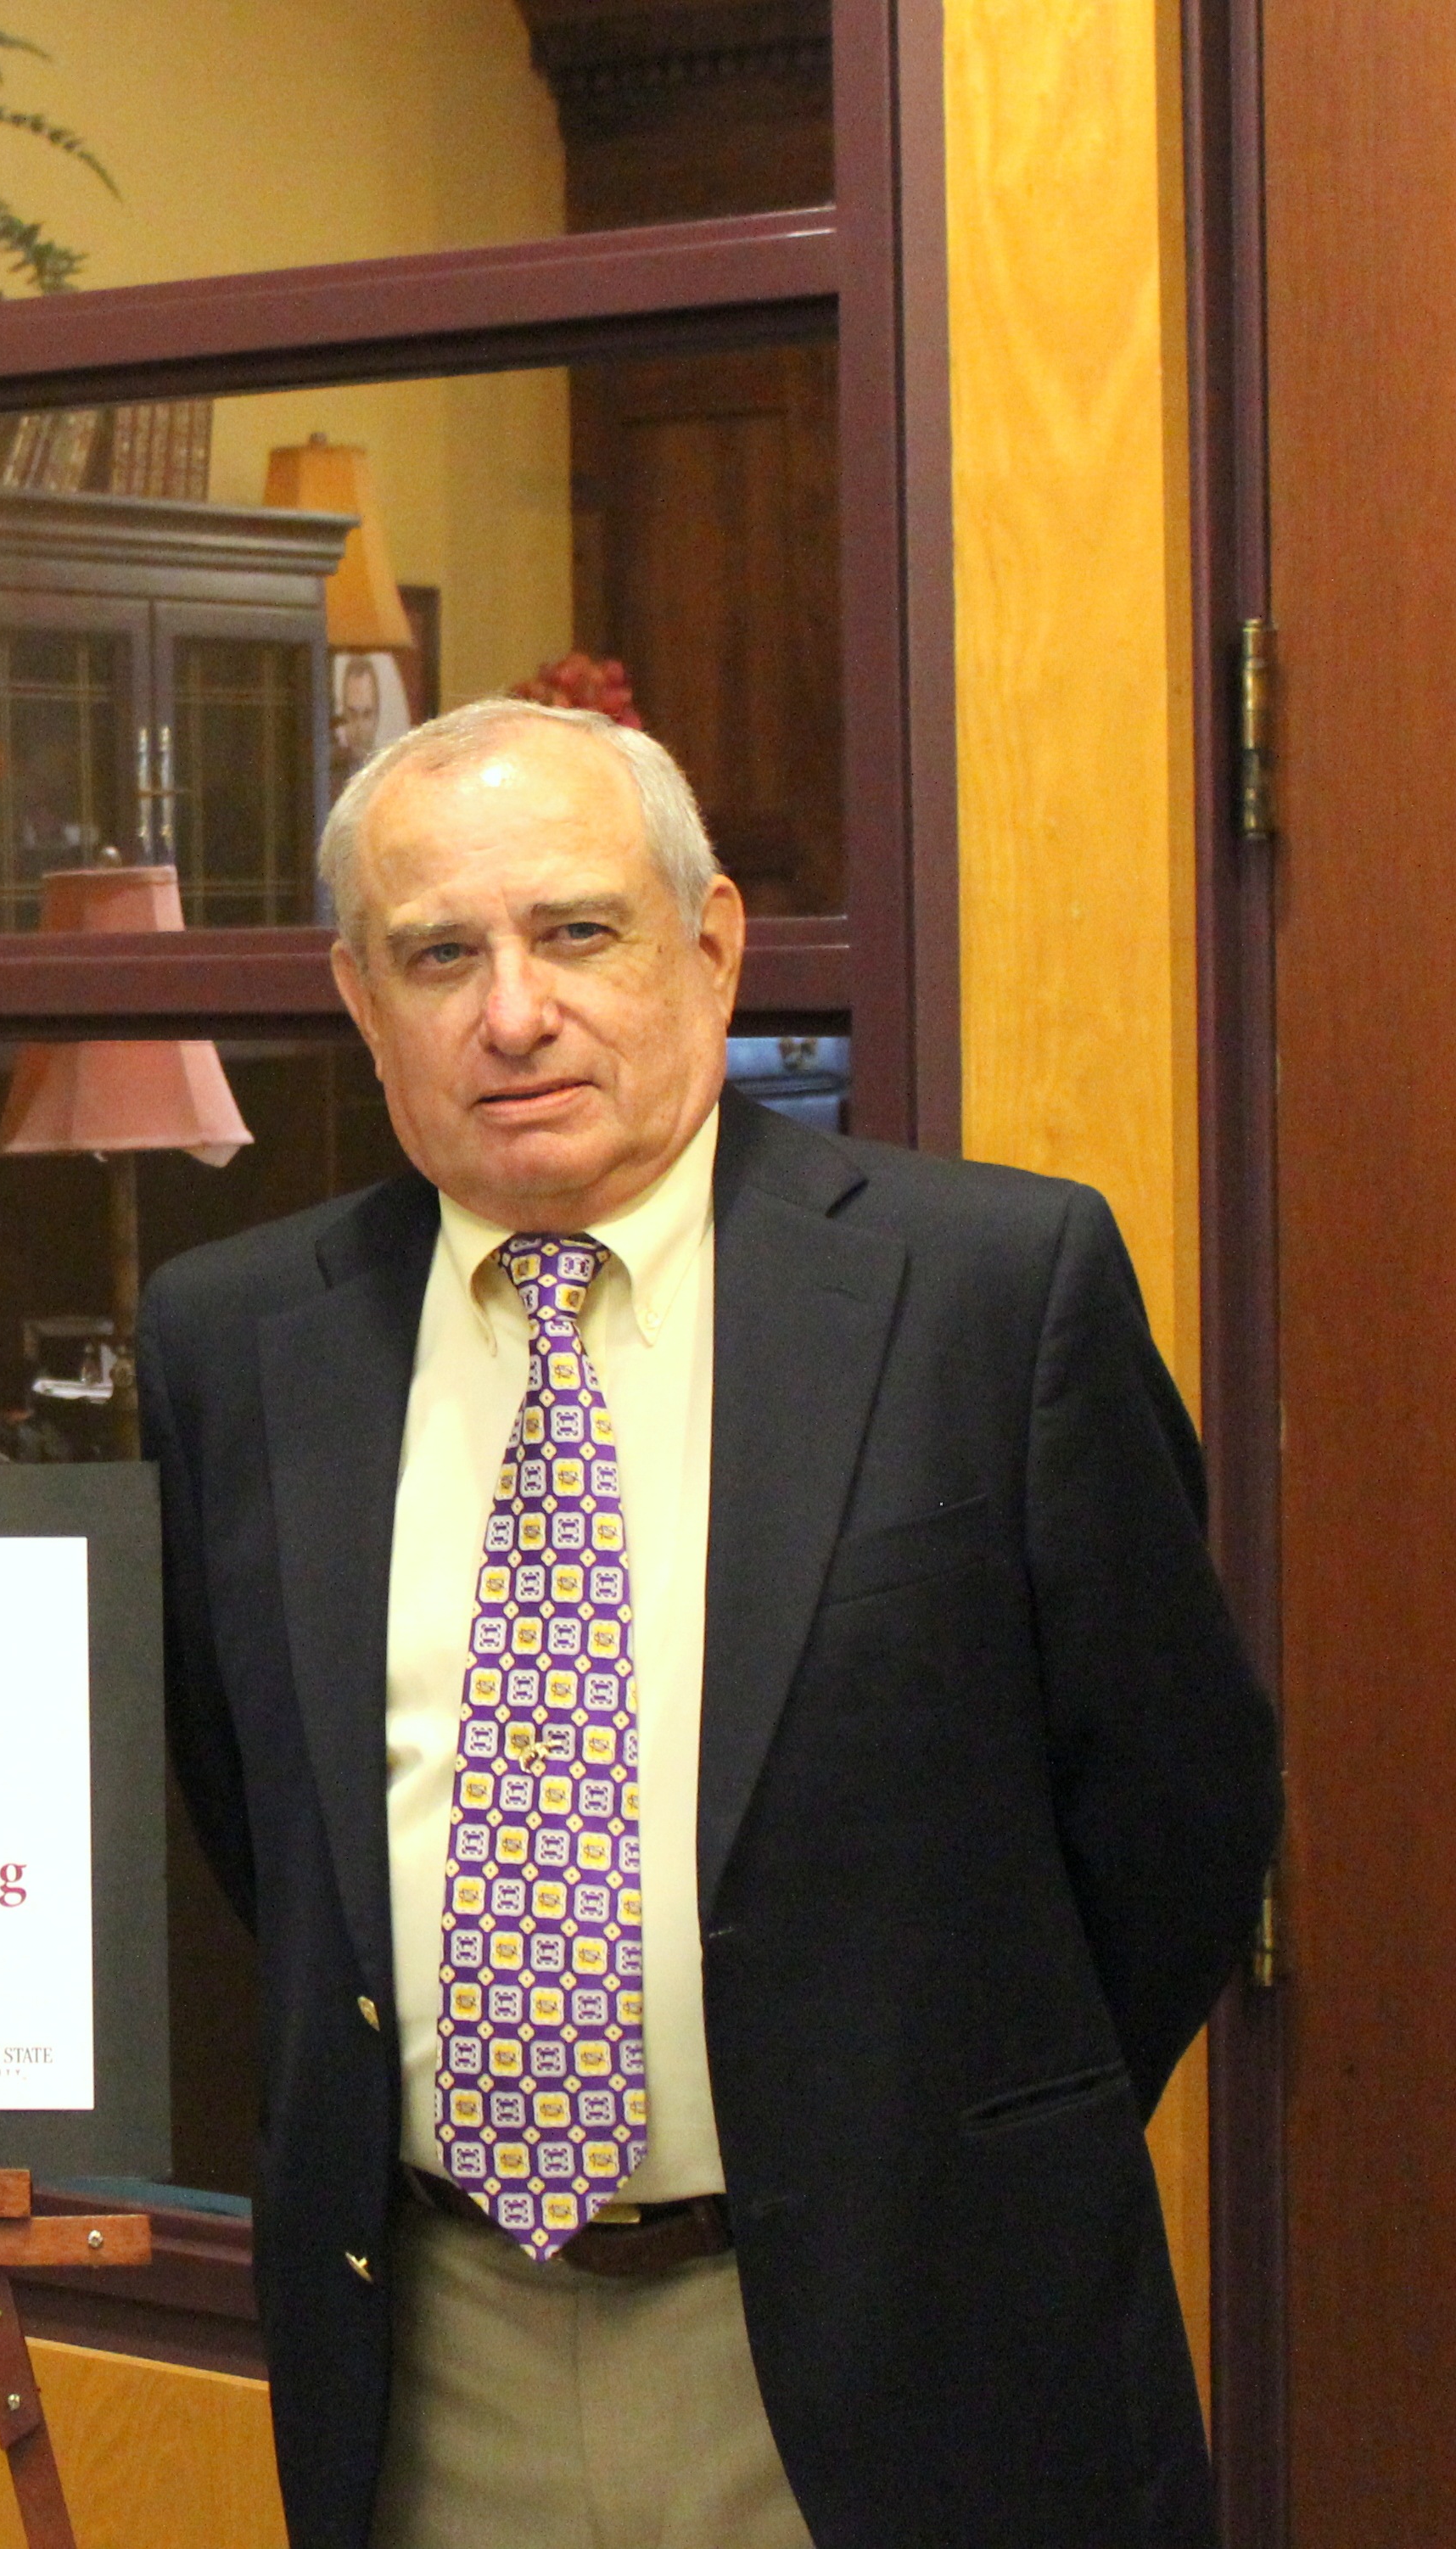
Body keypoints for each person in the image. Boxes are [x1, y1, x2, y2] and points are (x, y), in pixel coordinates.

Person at [137, 697, 1276, 2548]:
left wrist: (928, 2124)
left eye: (575, 930)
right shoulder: (235, 1338)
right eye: (441, 954)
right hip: (436, 2346)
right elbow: (258, 1825)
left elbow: (1177, 1819)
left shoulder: (988, 1294)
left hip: (912, 2332)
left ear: (711, 942)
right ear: (360, 998)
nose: (511, 1012)